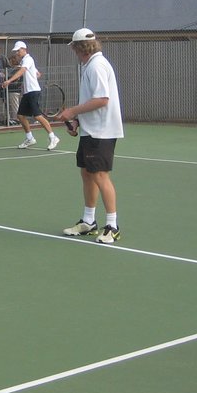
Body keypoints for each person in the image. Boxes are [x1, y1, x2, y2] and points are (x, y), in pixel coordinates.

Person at [59, 28, 125, 245]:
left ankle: (112, 227)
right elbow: (94, 101)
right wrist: (78, 121)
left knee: (100, 176)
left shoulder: (96, 66)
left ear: (80, 48)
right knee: (87, 173)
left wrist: (72, 112)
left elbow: (102, 100)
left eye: (74, 48)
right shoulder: (91, 65)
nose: (74, 52)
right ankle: (88, 222)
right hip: (91, 129)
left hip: (101, 132)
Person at [2, 41, 59, 151]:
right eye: (16, 51)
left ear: (24, 49)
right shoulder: (25, 61)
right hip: (28, 93)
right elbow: (37, 73)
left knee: (37, 116)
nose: (17, 53)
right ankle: (30, 138)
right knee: (20, 115)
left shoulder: (28, 59)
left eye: (18, 50)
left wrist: (9, 81)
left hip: (33, 92)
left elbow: (23, 70)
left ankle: (53, 137)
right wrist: (35, 74)